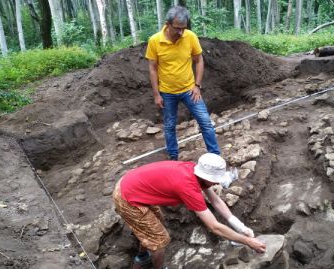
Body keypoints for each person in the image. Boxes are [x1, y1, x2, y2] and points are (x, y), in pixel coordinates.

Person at [112, 153, 266, 269]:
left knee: (153, 228)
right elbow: (214, 226)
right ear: (206, 175)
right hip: (127, 196)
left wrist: (241, 227)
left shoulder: (195, 172)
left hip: (136, 185)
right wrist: (247, 241)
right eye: (215, 178)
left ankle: (143, 256)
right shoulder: (187, 186)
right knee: (159, 240)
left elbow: (217, 201)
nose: (217, 181)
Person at [145, 5, 220, 161]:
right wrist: (156, 94)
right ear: (168, 24)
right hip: (167, 92)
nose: (181, 32)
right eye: (177, 29)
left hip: (189, 90)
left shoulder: (190, 36)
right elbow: (152, 68)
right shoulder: (154, 41)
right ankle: (173, 158)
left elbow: (199, 60)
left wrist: (197, 85)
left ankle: (215, 156)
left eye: (183, 29)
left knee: (205, 122)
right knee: (170, 126)